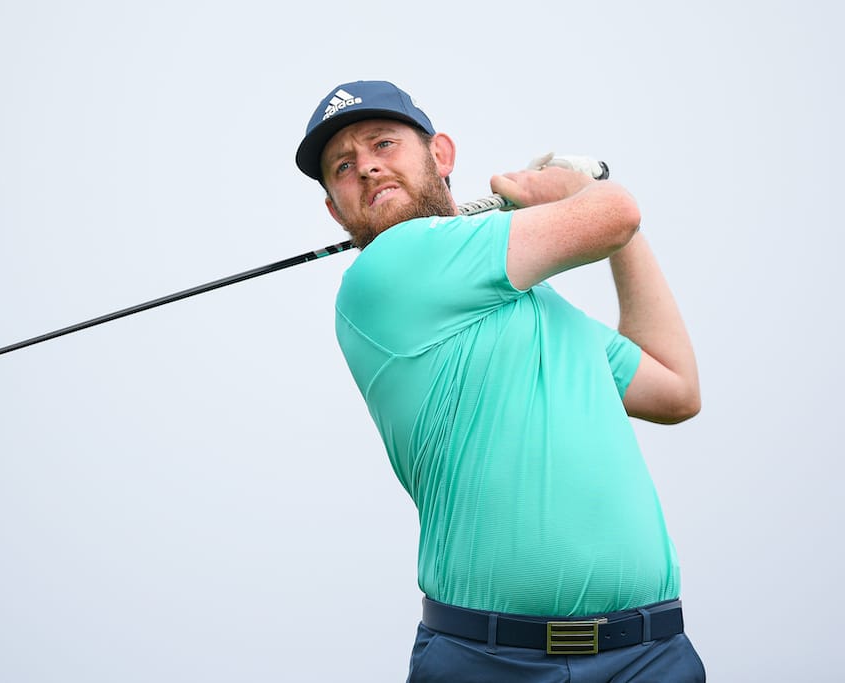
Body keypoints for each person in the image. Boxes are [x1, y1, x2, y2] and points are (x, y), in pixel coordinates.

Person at [295, 80, 704, 681]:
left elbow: (675, 389)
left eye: (383, 144)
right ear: (336, 209)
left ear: (440, 154)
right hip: (491, 661)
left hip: (649, 654)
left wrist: (616, 229)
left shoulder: (539, 308)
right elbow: (614, 214)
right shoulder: (388, 266)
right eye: (343, 166)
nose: (367, 167)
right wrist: (570, 194)